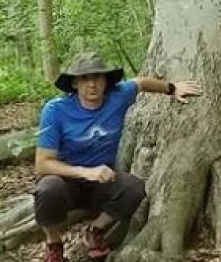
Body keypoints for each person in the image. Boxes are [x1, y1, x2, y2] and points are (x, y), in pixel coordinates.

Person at [34, 52, 202, 262]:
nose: (92, 84)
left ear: (106, 81)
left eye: (98, 77)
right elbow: (42, 164)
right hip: (67, 180)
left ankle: (95, 230)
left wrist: (172, 88)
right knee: (48, 190)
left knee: (134, 188)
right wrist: (85, 172)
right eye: (85, 78)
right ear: (75, 83)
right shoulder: (55, 110)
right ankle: (54, 244)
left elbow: (140, 83)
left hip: (103, 180)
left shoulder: (118, 95)